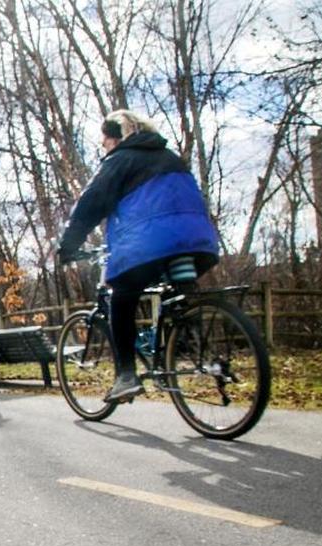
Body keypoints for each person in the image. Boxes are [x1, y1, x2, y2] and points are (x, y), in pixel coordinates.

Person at [57, 109, 219, 402]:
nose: (104, 148)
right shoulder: (171, 157)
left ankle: (126, 376)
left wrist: (68, 245)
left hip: (149, 242)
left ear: (116, 137)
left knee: (122, 296)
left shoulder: (121, 159)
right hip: (197, 238)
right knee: (178, 292)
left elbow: (90, 204)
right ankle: (192, 347)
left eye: (105, 143)